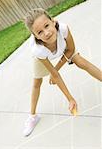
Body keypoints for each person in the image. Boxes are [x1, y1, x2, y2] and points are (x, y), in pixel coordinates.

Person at [23, 8, 102, 137]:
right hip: (43, 57)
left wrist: (57, 67)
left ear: (53, 21)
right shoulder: (38, 50)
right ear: (35, 36)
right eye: (40, 32)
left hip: (64, 49)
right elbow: (55, 76)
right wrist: (70, 99)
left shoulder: (63, 29)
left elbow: (70, 50)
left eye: (47, 25)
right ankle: (32, 116)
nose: (47, 33)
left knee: (81, 62)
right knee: (37, 82)